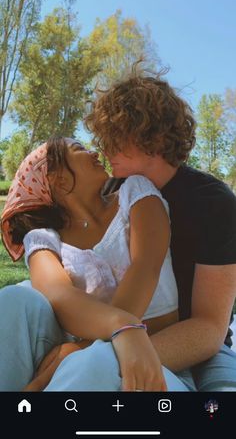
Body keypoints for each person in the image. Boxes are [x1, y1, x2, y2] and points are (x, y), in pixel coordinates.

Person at [0, 136, 193, 391]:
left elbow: (146, 265)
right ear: (57, 178)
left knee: (93, 361)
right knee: (12, 298)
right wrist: (119, 328)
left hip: (161, 362)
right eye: (79, 149)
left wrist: (81, 349)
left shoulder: (134, 193)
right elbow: (59, 296)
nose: (94, 152)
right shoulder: (44, 239)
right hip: (80, 361)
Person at [85, 66, 236, 391]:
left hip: (199, 346)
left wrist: (124, 362)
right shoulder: (112, 191)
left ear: (151, 139)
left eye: (114, 135)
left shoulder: (213, 202)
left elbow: (209, 327)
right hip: (120, 335)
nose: (104, 148)